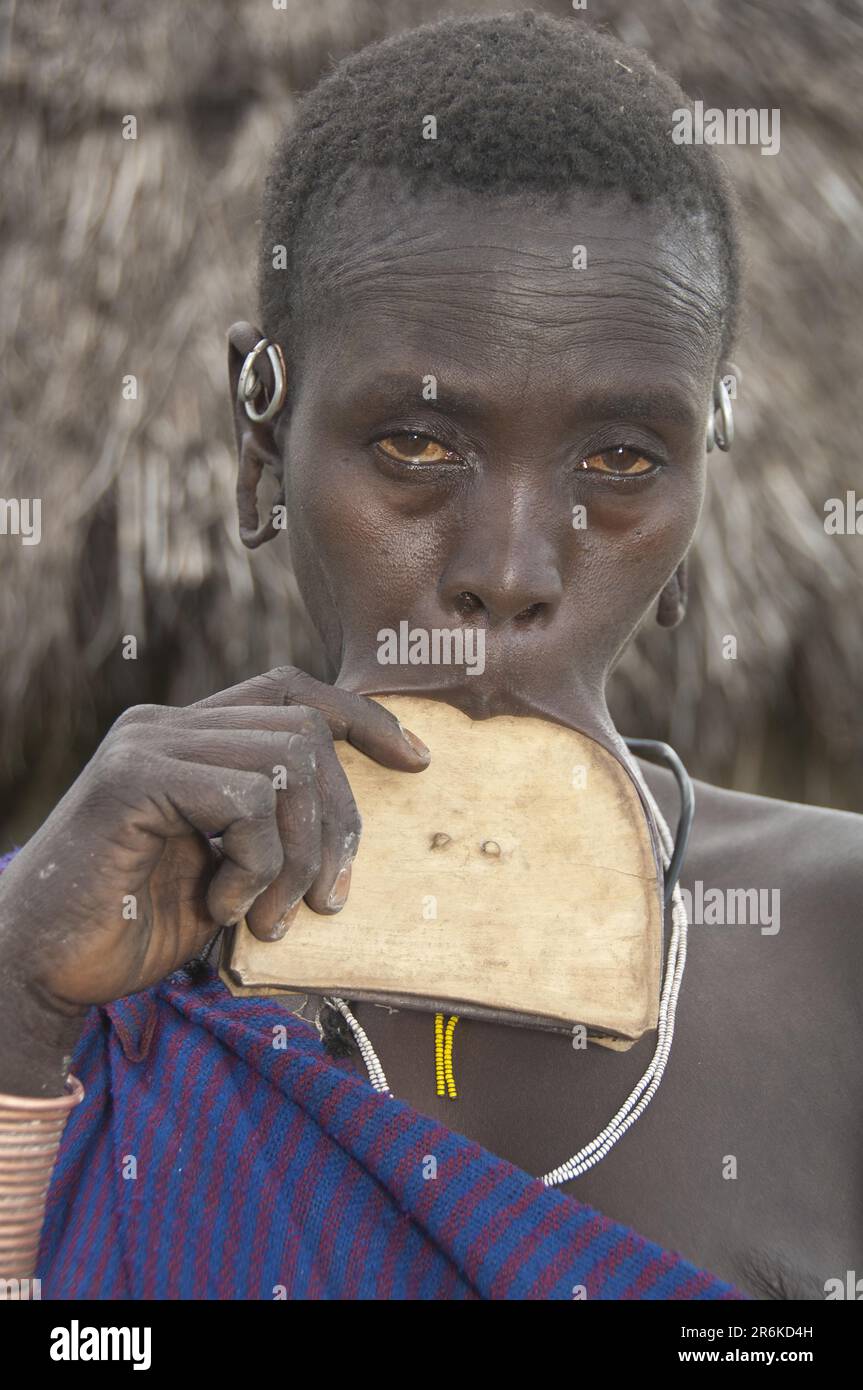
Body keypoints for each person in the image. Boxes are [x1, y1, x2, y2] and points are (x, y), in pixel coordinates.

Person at [0, 11, 859, 1302]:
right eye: (415, 445)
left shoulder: (839, 936)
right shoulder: (65, 933)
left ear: (701, 491)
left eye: (620, 462)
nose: (508, 570)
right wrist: (18, 1008)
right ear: (261, 444)